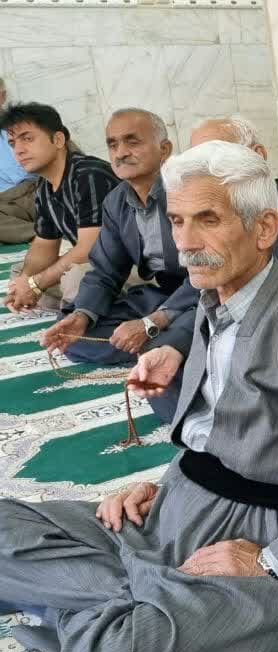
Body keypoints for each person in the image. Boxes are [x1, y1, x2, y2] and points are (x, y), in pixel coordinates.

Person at [0, 141, 278, 652]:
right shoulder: (212, 305)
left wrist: (272, 561)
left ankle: (97, 597)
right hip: (175, 508)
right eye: (176, 220)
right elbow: (208, 436)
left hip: (256, 535)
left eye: (208, 219)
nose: (185, 241)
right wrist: (157, 488)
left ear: (264, 228)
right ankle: (133, 593)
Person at [37, 109, 196, 420]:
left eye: (132, 142)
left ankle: (170, 343)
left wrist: (152, 323)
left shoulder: (186, 193)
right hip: (163, 295)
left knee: (185, 330)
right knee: (76, 338)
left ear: (164, 149)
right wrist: (82, 316)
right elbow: (105, 270)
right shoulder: (116, 201)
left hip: (204, 295)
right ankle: (166, 343)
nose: (121, 152)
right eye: (112, 144)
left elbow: (210, 275)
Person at [1, 102, 118, 311]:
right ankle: (87, 304)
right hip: (96, 267)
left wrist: (37, 284)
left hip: (129, 265)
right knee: (21, 273)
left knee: (76, 277)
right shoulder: (44, 187)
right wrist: (26, 282)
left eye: (27, 139)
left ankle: (86, 311)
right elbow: (43, 247)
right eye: (12, 143)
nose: (18, 150)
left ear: (58, 140)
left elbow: (90, 249)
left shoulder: (89, 175)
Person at [190, 117, 278, 271]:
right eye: (197, 163)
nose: (205, 172)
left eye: (215, 158)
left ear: (257, 155)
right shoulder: (200, 215)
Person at [0, 76, 37, 245]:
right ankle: (41, 234)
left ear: (2, 96)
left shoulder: (29, 122)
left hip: (42, 190)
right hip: (7, 204)